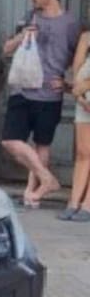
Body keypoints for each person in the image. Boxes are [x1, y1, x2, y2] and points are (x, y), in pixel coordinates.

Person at [0, 0, 83, 207]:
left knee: (42, 144)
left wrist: (66, 82)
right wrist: (23, 35)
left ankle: (31, 194)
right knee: (10, 140)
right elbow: (6, 50)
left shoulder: (71, 24)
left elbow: (79, 58)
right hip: (22, 90)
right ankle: (47, 179)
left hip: (49, 94)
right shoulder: (29, 17)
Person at [60, 29, 90, 221]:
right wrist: (79, 94)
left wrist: (86, 84)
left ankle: (88, 204)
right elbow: (77, 67)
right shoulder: (86, 37)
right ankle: (73, 201)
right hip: (84, 100)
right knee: (82, 152)